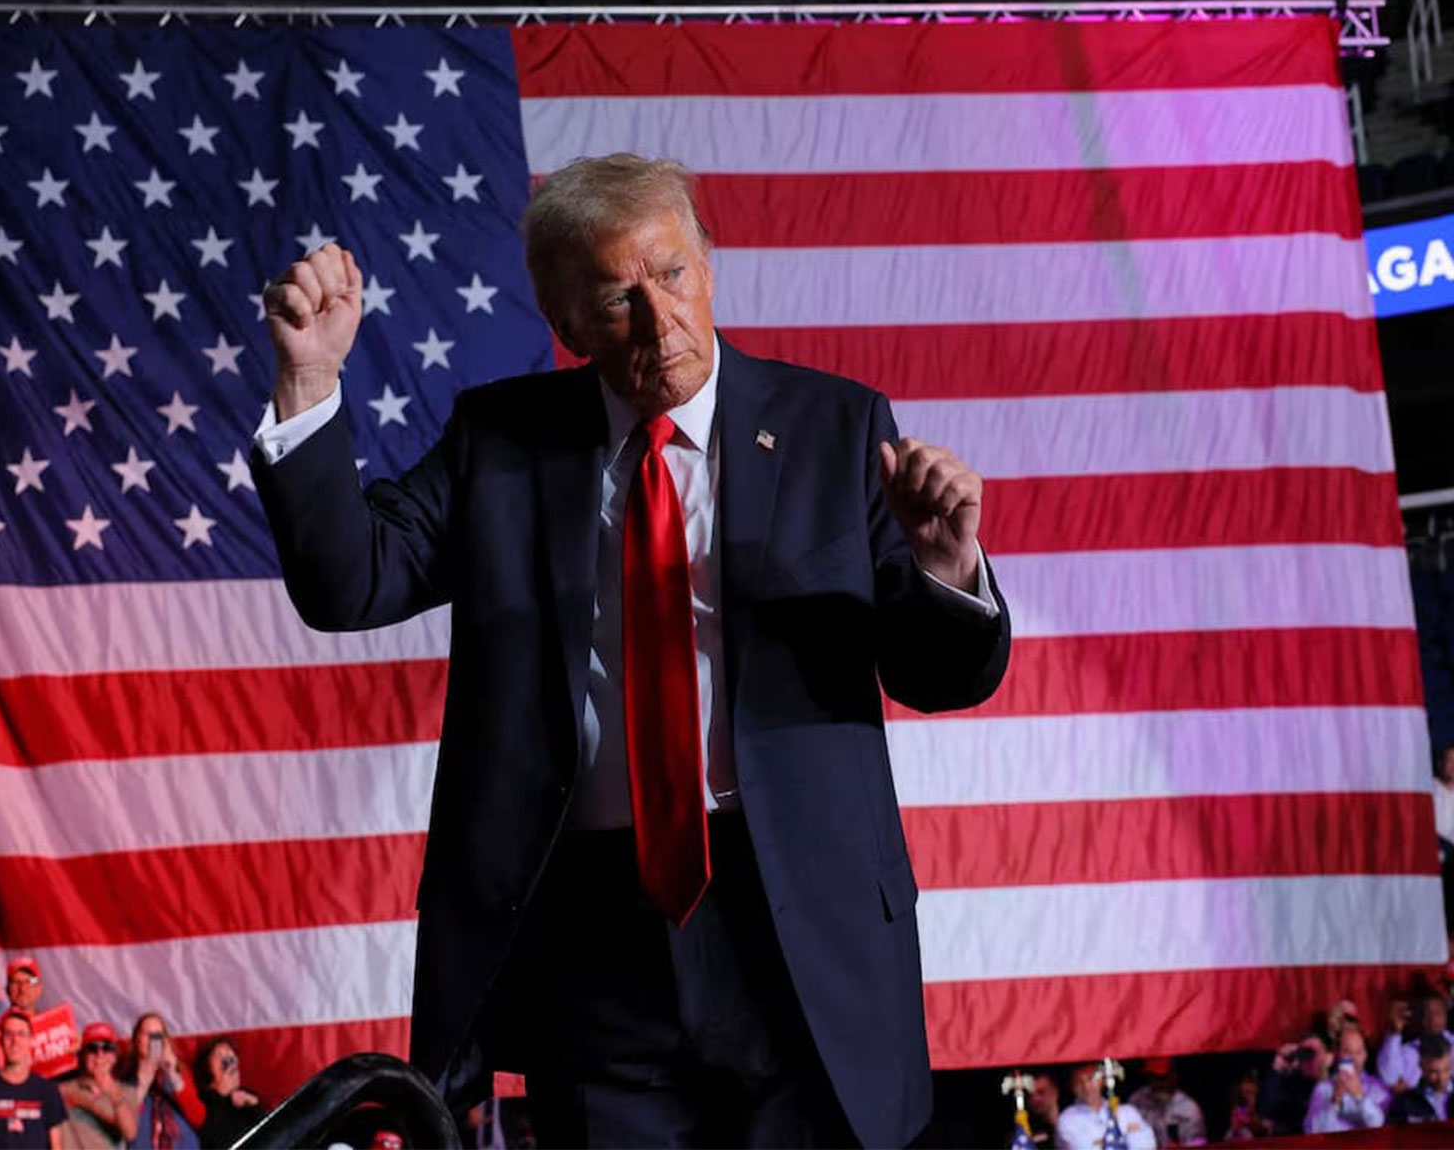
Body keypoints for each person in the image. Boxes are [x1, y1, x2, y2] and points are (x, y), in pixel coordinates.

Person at [252, 153, 1011, 1147]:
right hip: (595, 938)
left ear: (709, 267)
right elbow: (349, 585)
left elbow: (938, 677)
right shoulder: (501, 442)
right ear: (566, 327)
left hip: (797, 927)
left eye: (672, 276)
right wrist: (310, 380)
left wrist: (947, 571)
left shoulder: (836, 428)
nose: (658, 321)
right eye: (617, 297)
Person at [0, 1010, 68, 1149]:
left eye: (21, 1034)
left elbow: (57, 1146)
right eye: (9, 1034)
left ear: (31, 1040)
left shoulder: (47, 1090)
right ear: (0, 1040)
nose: (15, 1041)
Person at [118, 1013, 202, 1148]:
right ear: (137, 1040)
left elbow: (198, 1118)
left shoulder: (179, 1074)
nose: (153, 1041)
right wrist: (143, 1081)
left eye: (158, 1035)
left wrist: (173, 1074)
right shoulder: (124, 1077)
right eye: (148, 1035)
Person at [59, 1023, 138, 1150]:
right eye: (92, 1048)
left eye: (107, 1048)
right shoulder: (63, 1089)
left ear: (115, 1055)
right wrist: (64, 1053)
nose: (100, 1054)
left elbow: (130, 1134)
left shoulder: (127, 1092)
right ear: (83, 1055)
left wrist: (115, 1096)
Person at [1303, 1023, 1389, 1133]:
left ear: (1365, 1055)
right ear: (1338, 1054)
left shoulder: (1379, 1089)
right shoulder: (1323, 1088)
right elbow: (1313, 1131)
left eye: (1358, 1052)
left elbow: (1378, 1125)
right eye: (1347, 1052)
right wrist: (1335, 1101)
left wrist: (1359, 1096)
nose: (1353, 1058)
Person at [1055, 1064, 1156, 1149]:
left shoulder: (1128, 1112)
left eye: (1091, 1079)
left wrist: (1102, 1142)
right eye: (1079, 1082)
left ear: (1101, 1081)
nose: (1086, 1087)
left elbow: (1147, 1146)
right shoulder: (1067, 1119)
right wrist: (1126, 1133)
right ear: (1072, 1087)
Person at [192, 1038, 262, 1148]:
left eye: (231, 1055)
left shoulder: (249, 1099)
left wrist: (255, 1105)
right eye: (220, 1055)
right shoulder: (201, 1104)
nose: (229, 1060)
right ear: (207, 1066)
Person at [1259, 1032, 1330, 1134]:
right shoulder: (1292, 1088)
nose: (1309, 1060)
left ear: (1326, 1056)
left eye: (1312, 1053)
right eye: (1304, 1054)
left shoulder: (1338, 1080)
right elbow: (1266, 1112)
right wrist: (1277, 1067)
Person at [1380, 993, 1454, 1088]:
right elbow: (1389, 1078)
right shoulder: (1410, 1050)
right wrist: (1395, 1032)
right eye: (1427, 1013)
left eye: (1438, 1013)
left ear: (1446, 1015)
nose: (1433, 1018)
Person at [1126, 1058, 1206, 1146]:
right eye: (1151, 1077)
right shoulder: (1136, 1101)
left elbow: (1200, 1142)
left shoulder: (1189, 1108)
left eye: (1160, 1077)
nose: (1156, 1083)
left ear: (1173, 1076)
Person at [1388, 1035, 1454, 1123]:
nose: (1441, 1078)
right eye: (1433, 1072)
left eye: (1446, 1069)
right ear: (1421, 1066)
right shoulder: (1404, 1103)